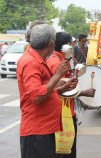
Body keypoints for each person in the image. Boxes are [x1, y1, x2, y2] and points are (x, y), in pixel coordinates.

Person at [17, 24, 77, 158]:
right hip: (37, 131)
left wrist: (61, 88)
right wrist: (57, 75)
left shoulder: (37, 59)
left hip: (44, 129)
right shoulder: (30, 62)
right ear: (50, 44)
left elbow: (43, 90)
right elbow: (37, 96)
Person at [47, 32, 96, 158]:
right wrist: (84, 93)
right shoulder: (59, 63)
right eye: (70, 44)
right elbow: (63, 90)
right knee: (65, 151)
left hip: (64, 111)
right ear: (65, 48)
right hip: (64, 113)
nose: (72, 47)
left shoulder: (58, 60)